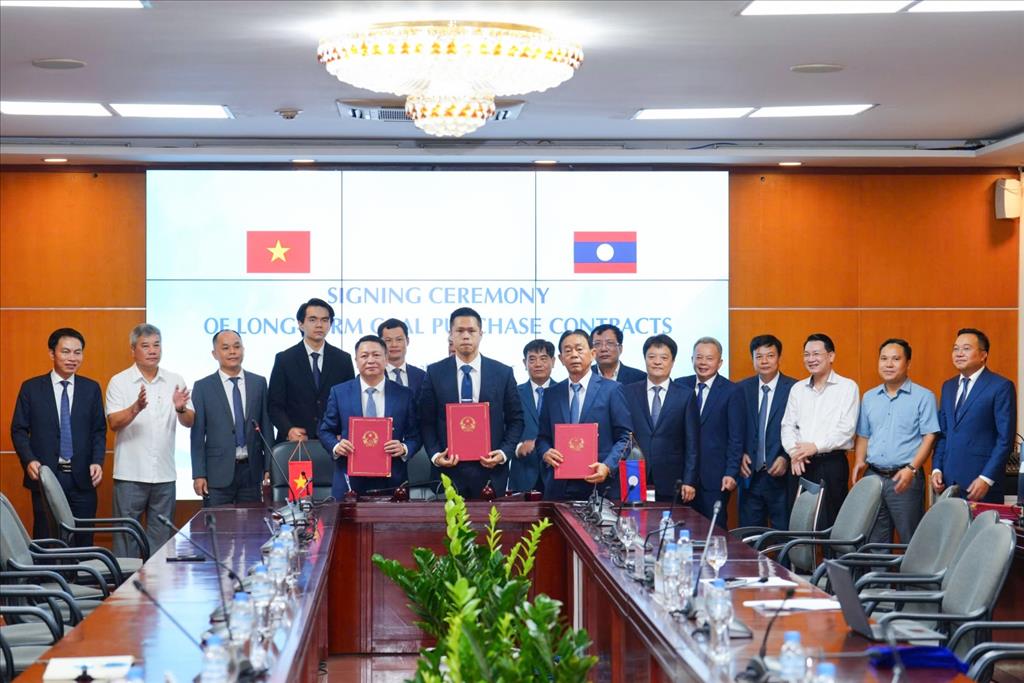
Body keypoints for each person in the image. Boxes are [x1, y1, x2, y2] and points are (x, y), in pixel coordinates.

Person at [11, 328, 106, 544]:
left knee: (83, 542)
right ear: (52, 353)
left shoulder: (91, 389)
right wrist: (29, 460)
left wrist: (97, 461)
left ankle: (82, 569)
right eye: (66, 351)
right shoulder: (31, 388)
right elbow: (19, 430)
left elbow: (99, 430)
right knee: (48, 541)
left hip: (83, 477)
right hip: (46, 477)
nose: (72, 358)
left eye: (77, 352)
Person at [107, 323, 193, 557]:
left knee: (161, 542)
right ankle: (126, 582)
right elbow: (113, 422)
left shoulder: (175, 379)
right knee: (126, 540)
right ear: (133, 350)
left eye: (156, 345)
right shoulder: (119, 381)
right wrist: (135, 408)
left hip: (164, 474)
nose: (153, 350)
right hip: (130, 474)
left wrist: (181, 408)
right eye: (145, 346)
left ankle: (157, 581)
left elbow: (189, 421)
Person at [419, 307, 524, 498]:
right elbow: (426, 421)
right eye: (459, 331)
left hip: (491, 472)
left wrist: (503, 453)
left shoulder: (503, 373)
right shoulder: (435, 373)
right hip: (448, 473)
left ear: (481, 334)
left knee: (491, 520)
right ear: (451, 335)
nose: (466, 336)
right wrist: (435, 455)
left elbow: (516, 420)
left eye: (471, 331)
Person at [853, 339, 939, 545]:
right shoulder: (869, 397)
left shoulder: (923, 396)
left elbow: (930, 436)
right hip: (873, 476)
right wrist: (859, 461)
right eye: (884, 359)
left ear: (908, 363)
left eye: (895, 359)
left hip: (905, 477)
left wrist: (912, 468)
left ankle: (913, 569)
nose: (888, 364)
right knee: (875, 541)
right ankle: (877, 569)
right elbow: (864, 435)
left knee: (910, 540)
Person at [536, 329, 633, 501]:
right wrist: (545, 452)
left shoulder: (612, 390)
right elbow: (542, 437)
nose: (574, 355)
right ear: (561, 359)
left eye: (579, 349)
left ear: (593, 353)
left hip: (599, 484)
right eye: (568, 351)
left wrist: (608, 466)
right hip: (560, 486)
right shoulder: (551, 394)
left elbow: (626, 438)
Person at [318, 335, 421, 497]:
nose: (370, 360)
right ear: (356, 361)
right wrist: (337, 447)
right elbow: (325, 431)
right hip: (349, 482)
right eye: (364, 356)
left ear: (386, 359)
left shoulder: (404, 395)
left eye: (376, 355)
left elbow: (415, 435)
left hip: (392, 482)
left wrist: (404, 448)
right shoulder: (339, 392)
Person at [781, 333, 859, 529]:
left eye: (816, 354)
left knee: (829, 524)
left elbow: (846, 430)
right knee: (799, 526)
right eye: (806, 354)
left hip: (830, 463)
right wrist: (794, 452)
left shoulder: (847, 387)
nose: (811, 359)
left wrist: (815, 447)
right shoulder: (798, 388)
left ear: (831, 356)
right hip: (800, 464)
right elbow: (787, 426)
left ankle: (829, 552)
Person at [933, 328, 1016, 503]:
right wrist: (937, 469)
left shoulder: (1000, 386)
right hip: (948, 482)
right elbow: (943, 434)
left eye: (966, 348)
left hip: (981, 484)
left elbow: (1005, 440)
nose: (959, 354)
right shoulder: (948, 386)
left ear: (983, 355)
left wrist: (987, 478)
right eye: (955, 349)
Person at [190, 330, 272, 506]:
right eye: (226, 348)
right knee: (217, 523)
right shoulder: (203, 387)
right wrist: (198, 474)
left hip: (251, 471)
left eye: (237, 346)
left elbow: (266, 426)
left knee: (252, 522)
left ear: (243, 350)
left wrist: (269, 466)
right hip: (216, 473)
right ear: (214, 354)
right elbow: (197, 435)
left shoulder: (259, 383)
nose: (232, 352)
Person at [677, 336, 744, 527]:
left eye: (709, 358)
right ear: (692, 359)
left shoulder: (732, 391)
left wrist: (731, 472)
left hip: (715, 477)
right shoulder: (680, 385)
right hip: (683, 475)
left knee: (714, 529)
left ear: (720, 362)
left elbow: (736, 437)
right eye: (699, 357)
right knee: (682, 528)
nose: (703, 363)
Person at [623, 334, 698, 503]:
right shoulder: (628, 392)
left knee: (669, 520)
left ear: (673, 361)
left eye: (664, 358)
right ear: (645, 359)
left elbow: (692, 443)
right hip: (635, 474)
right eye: (652, 357)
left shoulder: (685, 395)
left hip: (672, 478)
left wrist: (689, 480)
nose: (657, 362)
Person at [268, 298, 355, 444]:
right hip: (296, 443)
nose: (319, 325)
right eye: (313, 320)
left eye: (325, 320)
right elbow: (274, 404)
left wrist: (344, 432)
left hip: (335, 443)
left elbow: (350, 402)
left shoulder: (343, 359)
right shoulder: (285, 359)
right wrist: (288, 429)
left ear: (330, 324)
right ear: (301, 324)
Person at [737, 335, 796, 530]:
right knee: (750, 536)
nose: (764, 361)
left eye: (770, 355)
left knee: (783, 535)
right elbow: (735, 428)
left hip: (781, 475)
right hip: (749, 476)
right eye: (759, 356)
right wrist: (740, 454)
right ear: (752, 359)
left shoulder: (794, 389)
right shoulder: (741, 389)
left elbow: (801, 429)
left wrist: (786, 457)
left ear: (779, 358)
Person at [508, 339, 556, 494]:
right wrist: (517, 448)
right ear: (525, 363)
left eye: (543, 358)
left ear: (553, 361)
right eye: (532, 359)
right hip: (523, 471)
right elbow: (503, 429)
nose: (538, 364)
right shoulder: (513, 393)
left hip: (555, 471)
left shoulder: (564, 393)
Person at [377, 318, 427, 400]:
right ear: (380, 344)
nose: (394, 345)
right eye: (388, 340)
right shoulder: (373, 375)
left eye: (399, 339)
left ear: (407, 341)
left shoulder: (422, 376)